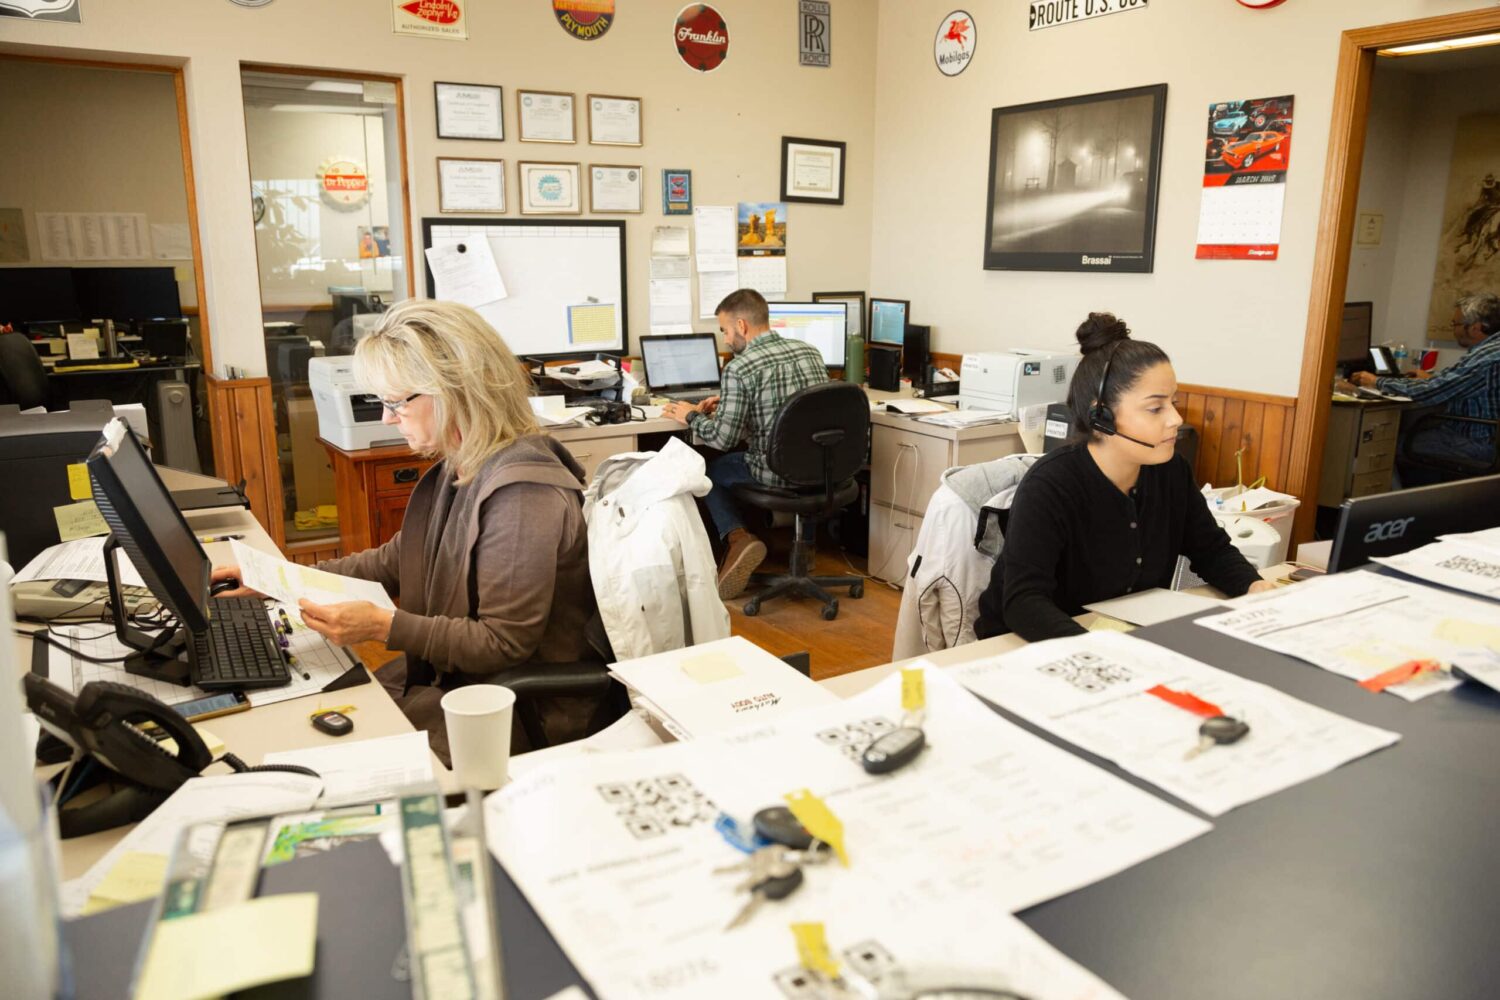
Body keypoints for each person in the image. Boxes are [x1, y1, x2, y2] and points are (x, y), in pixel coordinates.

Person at [213, 299, 596, 760]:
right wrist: (275, 579)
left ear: (455, 391)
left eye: (396, 403)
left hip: (512, 711)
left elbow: (501, 642)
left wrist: (382, 625)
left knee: (320, 746)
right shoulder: (468, 464)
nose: (386, 419)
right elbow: (397, 560)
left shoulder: (522, 495)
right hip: (460, 684)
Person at [975, 313, 1274, 642]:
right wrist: (1100, 649)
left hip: (1120, 635)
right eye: (1155, 408)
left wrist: (1253, 585)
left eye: (1173, 403)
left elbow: (1211, 550)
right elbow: (1024, 603)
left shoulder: (1171, 472)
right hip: (1025, 644)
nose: (1175, 419)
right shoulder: (1051, 485)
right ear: (1100, 414)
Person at [661, 288, 828, 599]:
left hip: (773, 471)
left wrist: (690, 416)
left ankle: (738, 538)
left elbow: (723, 439)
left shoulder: (740, 367)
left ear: (741, 325)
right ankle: (803, 549)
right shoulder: (809, 352)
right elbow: (797, 406)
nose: (725, 339)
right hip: (820, 467)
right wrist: (734, 400)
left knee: (707, 473)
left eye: (724, 330)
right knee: (766, 460)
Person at [1350, 292, 1500, 477]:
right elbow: (1461, 380)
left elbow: (1433, 392)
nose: (1454, 330)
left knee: (1384, 446)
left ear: (1476, 328)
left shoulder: (1484, 358)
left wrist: (1376, 381)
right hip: (1489, 439)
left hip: (1474, 442)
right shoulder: (1493, 350)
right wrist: (1431, 378)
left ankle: (1389, 502)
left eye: (1456, 324)